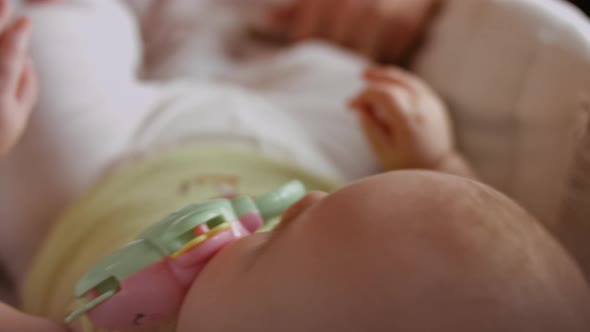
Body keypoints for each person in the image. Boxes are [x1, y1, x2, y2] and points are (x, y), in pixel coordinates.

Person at [0, 0, 589, 331]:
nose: (297, 202)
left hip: (94, 182)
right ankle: (241, 36)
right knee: (353, 89)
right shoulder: (324, 221)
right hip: (290, 142)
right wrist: (432, 158)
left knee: (40, 64)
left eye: (269, 245)